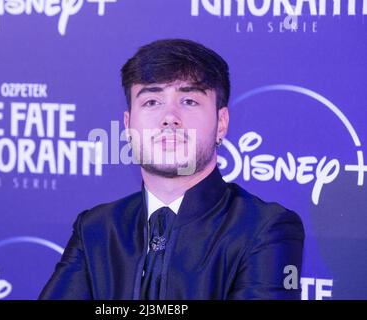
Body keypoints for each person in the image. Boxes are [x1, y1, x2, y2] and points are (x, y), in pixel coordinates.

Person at [39, 39, 304, 300]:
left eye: (188, 100)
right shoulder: (96, 228)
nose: (169, 117)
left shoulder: (265, 229)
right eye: (152, 102)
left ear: (221, 123)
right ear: (129, 125)